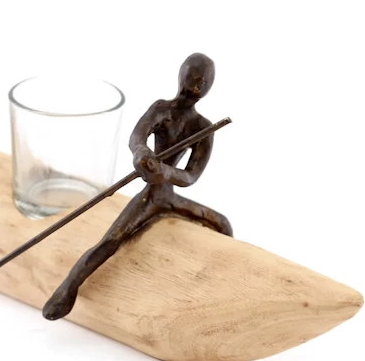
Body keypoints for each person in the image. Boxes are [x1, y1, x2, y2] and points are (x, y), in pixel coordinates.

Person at [42, 53, 234, 321]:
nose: (195, 84)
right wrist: (141, 153)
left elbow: (191, 175)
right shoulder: (161, 109)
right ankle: (67, 289)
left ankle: (223, 271)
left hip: (167, 194)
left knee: (222, 224)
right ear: (180, 75)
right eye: (191, 76)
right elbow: (137, 137)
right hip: (151, 195)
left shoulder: (203, 128)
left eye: (203, 81)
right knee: (111, 240)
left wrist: (165, 171)